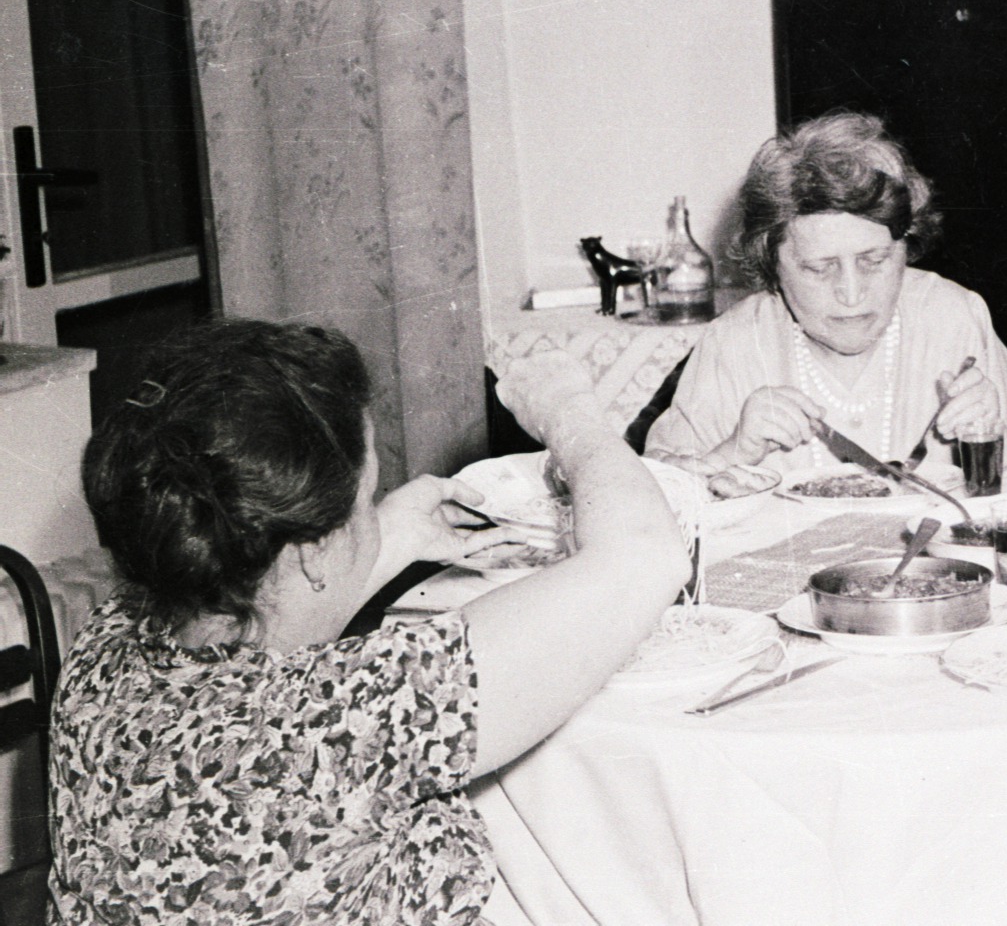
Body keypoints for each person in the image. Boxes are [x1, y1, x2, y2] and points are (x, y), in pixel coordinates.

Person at [49, 320, 691, 924]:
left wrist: (386, 535)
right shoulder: (348, 711)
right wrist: (570, 412)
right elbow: (644, 556)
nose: (371, 512)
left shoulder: (102, 646)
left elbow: (275, 603)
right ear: (308, 551)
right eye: (364, 501)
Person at [642, 111, 1007, 481]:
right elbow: (651, 516)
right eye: (819, 267)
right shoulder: (733, 344)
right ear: (772, 266)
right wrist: (733, 452)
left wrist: (1001, 444)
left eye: (874, 260)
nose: (851, 294)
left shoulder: (954, 317)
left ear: (906, 246)